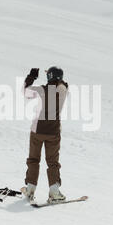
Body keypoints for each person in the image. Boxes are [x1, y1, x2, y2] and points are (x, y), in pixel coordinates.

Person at [22, 66, 68, 203]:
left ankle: (30, 189)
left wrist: (31, 76)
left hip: (37, 130)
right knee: (53, 162)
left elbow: (25, 92)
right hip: (53, 132)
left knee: (34, 159)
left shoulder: (42, 89)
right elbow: (60, 84)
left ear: (50, 76)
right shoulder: (64, 89)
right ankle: (54, 191)